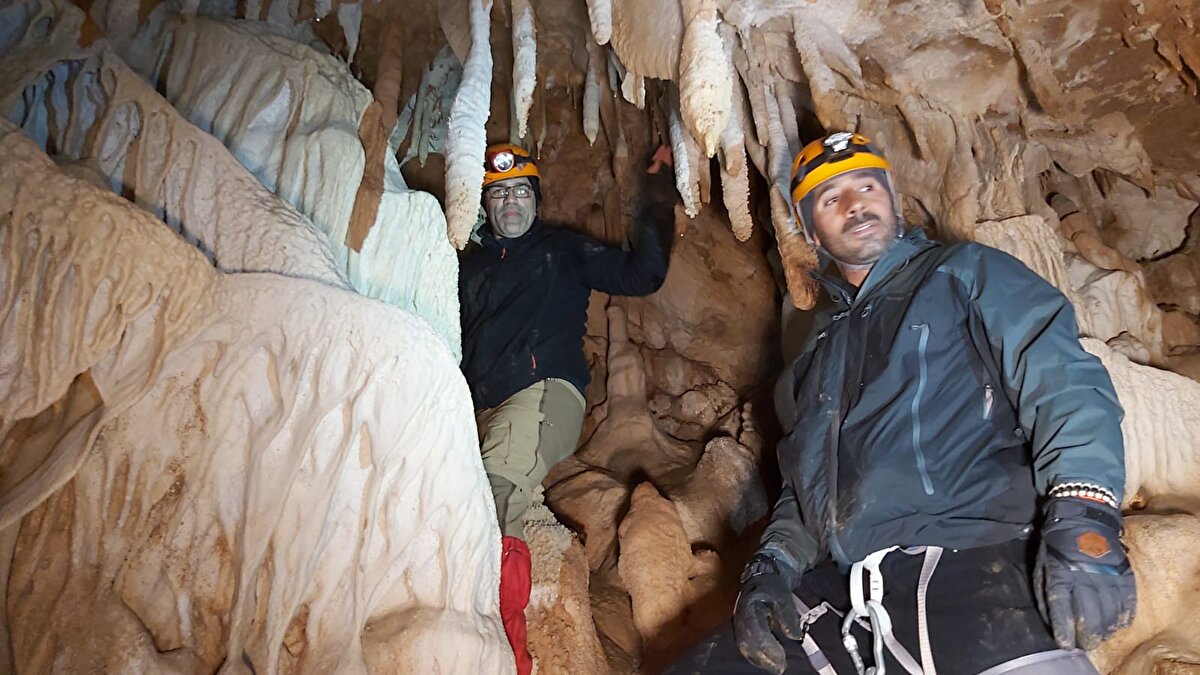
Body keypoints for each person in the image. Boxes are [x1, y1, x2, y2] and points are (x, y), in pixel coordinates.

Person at [668, 131, 1135, 674]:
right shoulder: (817, 358)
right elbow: (807, 493)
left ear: (892, 198)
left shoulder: (966, 275)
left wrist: (1084, 511)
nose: (853, 203)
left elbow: (1062, 382)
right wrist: (770, 566)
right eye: (828, 198)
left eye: (866, 185)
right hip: (850, 596)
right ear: (811, 234)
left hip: (975, 564)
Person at [459, 143, 676, 674]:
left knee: (497, 490)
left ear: (535, 200)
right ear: (486, 205)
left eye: (520, 192)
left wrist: (656, 199)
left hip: (545, 392)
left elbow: (642, 275)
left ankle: (500, 650)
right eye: (499, 193)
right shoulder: (470, 265)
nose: (510, 202)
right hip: (482, 406)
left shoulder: (561, 249)